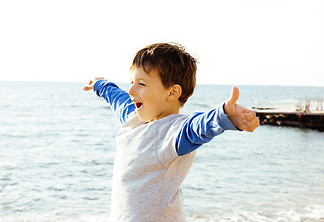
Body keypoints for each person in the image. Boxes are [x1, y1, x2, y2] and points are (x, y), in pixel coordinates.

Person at [83, 42, 259, 222]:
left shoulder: (173, 132)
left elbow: (197, 127)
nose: (131, 90)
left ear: (173, 92)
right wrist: (100, 84)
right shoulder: (134, 120)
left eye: (141, 84)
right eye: (132, 82)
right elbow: (118, 99)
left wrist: (224, 115)